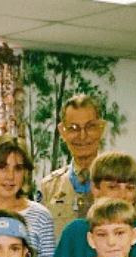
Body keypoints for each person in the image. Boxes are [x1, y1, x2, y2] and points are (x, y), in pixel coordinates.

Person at [47, 151, 136, 257]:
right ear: (94, 188)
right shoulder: (75, 232)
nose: (122, 195)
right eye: (113, 187)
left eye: (130, 188)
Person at [38, 94, 107, 239]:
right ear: (63, 131)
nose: (82, 136)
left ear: (102, 129)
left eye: (90, 127)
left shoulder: (121, 183)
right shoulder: (49, 188)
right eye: (74, 128)